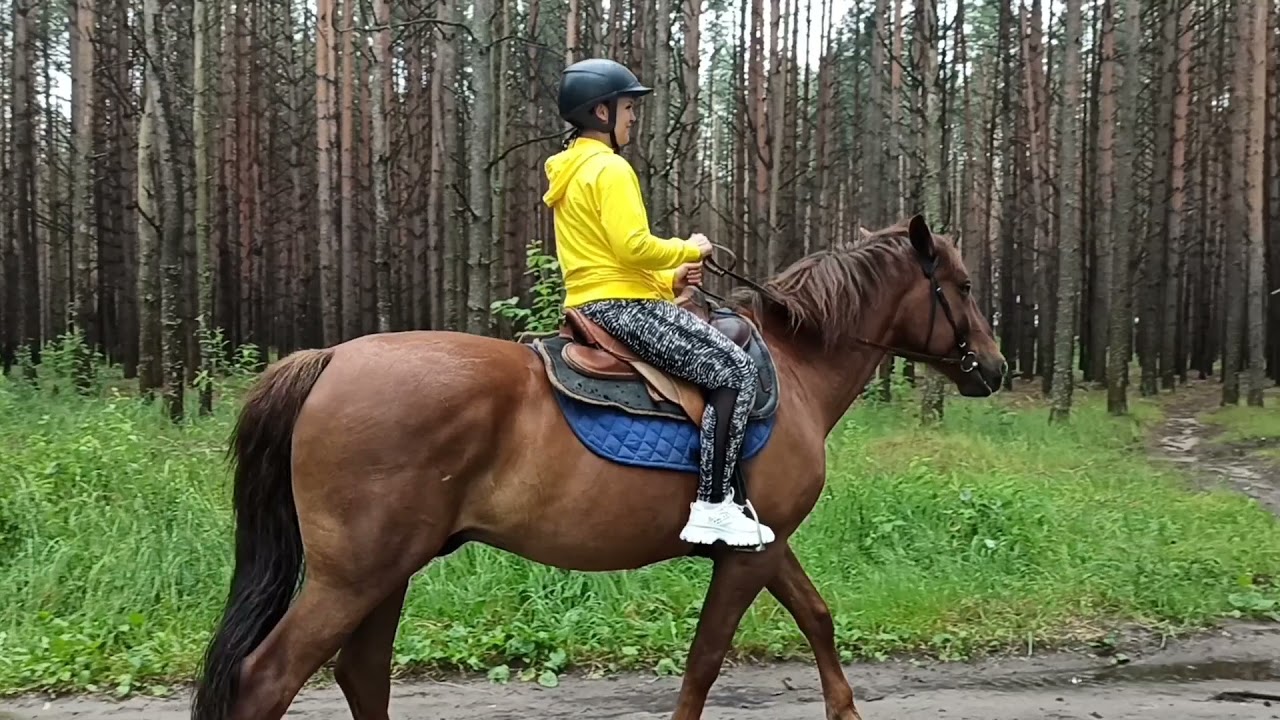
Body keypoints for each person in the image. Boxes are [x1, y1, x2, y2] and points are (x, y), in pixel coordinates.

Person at [542, 57, 775, 549]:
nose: (632, 117)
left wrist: (669, 278)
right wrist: (691, 248)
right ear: (601, 113)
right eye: (627, 107)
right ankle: (714, 506)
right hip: (621, 308)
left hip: (597, 300)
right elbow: (631, 245)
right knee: (734, 371)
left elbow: (606, 257)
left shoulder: (572, 171)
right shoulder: (609, 168)